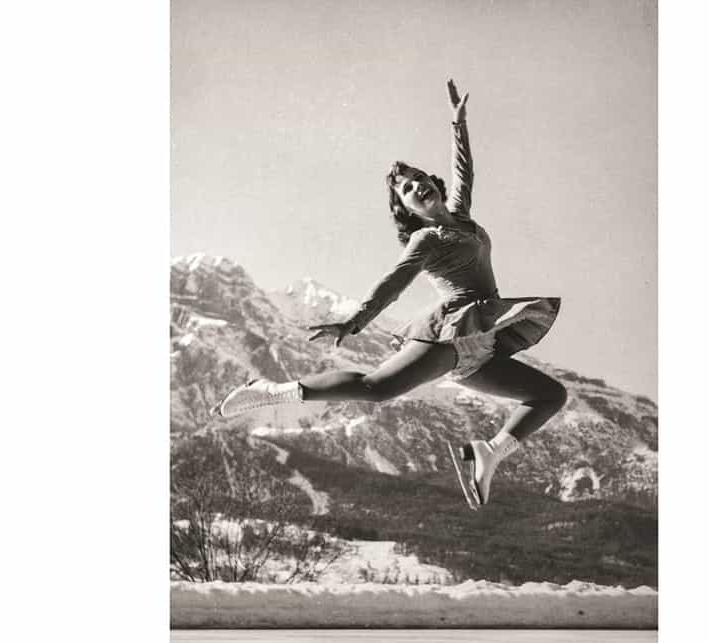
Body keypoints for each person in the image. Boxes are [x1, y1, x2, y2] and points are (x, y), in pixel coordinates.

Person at [214, 79, 567, 509]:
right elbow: (393, 283)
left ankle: (489, 452)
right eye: (407, 189)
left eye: (419, 178)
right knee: (376, 387)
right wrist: (353, 323)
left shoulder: (460, 216)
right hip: (451, 332)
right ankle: (271, 392)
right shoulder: (425, 240)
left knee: (551, 395)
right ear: (406, 210)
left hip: (483, 343)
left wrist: (458, 124)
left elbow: (464, 171)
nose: (417, 185)